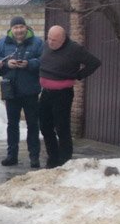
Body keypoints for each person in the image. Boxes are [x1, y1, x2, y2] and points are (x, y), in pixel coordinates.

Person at [38, 25, 101, 169]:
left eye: (54, 40)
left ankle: (65, 160)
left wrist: (78, 75)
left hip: (62, 94)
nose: (51, 42)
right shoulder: (46, 46)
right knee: (45, 126)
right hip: (46, 92)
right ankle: (53, 157)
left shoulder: (74, 49)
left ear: (63, 39)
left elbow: (94, 63)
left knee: (62, 127)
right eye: (49, 38)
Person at [0, 16, 45, 168]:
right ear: (11, 29)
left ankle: (34, 156)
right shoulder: (2, 43)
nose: (19, 30)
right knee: (12, 125)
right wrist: (5, 64)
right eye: (15, 27)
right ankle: (12, 155)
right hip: (11, 91)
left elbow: (43, 61)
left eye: (21, 27)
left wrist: (29, 64)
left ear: (26, 27)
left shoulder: (37, 43)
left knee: (32, 124)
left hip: (30, 91)